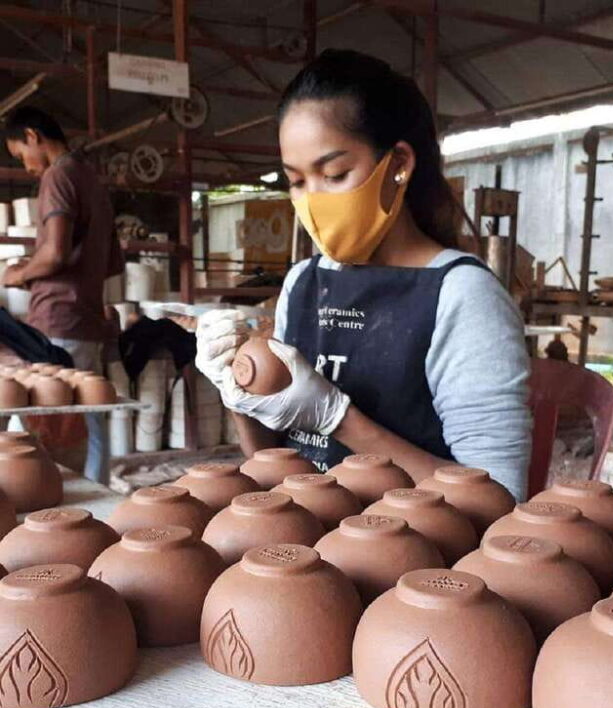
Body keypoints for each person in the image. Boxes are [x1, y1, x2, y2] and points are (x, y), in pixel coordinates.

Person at [195, 49, 531, 500]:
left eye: (333, 173)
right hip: (305, 542)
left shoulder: (461, 295)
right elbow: (270, 465)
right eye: (296, 181)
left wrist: (339, 419)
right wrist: (240, 394)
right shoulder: (304, 283)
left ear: (398, 165)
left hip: (421, 558)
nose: (313, 200)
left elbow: (500, 500)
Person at [4, 106, 123, 483]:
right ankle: (99, 491)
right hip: (86, 317)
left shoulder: (58, 175)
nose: (27, 167)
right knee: (91, 408)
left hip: (58, 315)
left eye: (22, 156)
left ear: (33, 137)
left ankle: (34, 494)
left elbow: (54, 253)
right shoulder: (91, 180)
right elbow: (113, 263)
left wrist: (20, 274)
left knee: (34, 409)